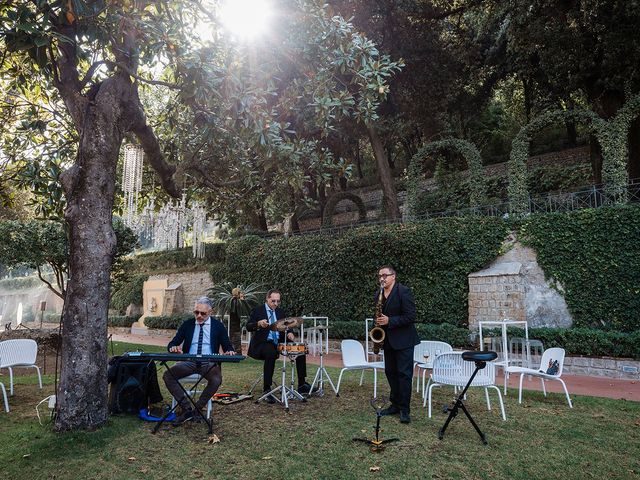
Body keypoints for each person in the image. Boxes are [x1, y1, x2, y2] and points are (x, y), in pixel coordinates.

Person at [163, 297, 236, 426]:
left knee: (216, 380)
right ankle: (186, 408)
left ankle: (197, 409)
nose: (199, 316)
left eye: (203, 313)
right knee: (168, 375)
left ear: (210, 312)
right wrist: (173, 347)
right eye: (196, 312)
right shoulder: (188, 324)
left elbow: (227, 346)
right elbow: (173, 343)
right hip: (189, 361)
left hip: (209, 362)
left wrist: (229, 351)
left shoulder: (218, 326)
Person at [247, 289, 311, 403]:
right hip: (263, 343)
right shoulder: (258, 310)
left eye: (278, 301)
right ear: (267, 299)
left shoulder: (280, 312)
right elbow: (248, 326)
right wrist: (258, 324)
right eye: (273, 301)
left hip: (280, 341)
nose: (276, 304)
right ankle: (267, 389)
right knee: (270, 352)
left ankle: (302, 384)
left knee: (300, 348)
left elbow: (287, 324)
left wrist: (290, 332)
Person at [374, 265, 419, 424]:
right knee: (390, 373)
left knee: (404, 375)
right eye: (380, 276)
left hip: (404, 341)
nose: (382, 278)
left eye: (385, 275)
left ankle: (405, 410)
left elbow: (411, 316)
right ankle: (395, 404)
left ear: (393, 276)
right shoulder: (378, 294)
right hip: (387, 340)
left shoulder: (403, 291)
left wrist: (390, 320)